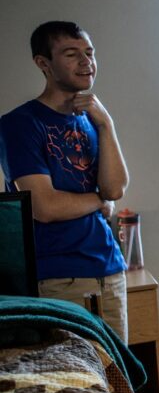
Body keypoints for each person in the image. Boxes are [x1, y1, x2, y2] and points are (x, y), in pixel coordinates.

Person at [0, 21, 130, 341]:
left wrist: (107, 124)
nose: (86, 62)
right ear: (43, 63)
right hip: (58, 277)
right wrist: (99, 201)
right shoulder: (20, 124)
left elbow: (116, 188)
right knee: (79, 384)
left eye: (89, 53)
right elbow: (44, 207)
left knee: (118, 383)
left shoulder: (93, 119)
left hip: (110, 269)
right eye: (72, 54)